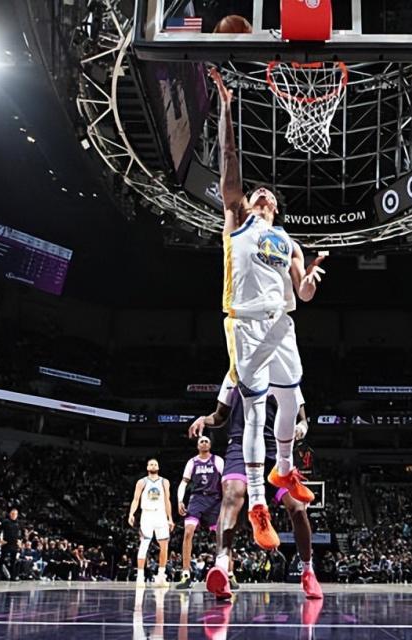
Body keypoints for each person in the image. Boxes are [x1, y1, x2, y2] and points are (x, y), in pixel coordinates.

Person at [209, 67, 326, 550]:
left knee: (292, 402)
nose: (262, 193)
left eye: (268, 194)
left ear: (276, 207)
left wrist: (310, 281)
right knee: (254, 410)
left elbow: (303, 294)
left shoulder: (288, 241)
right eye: (257, 191)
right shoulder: (237, 220)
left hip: (282, 324)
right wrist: (227, 110)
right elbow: (229, 164)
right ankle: (258, 504)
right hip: (245, 325)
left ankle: (284, 470)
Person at [188, 374, 321, 600]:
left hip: (275, 450)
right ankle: (221, 567)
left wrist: (300, 429)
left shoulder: (284, 372)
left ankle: (308, 571)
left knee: (298, 508)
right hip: (240, 447)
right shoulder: (234, 374)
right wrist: (204, 419)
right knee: (232, 495)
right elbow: (220, 416)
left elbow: (302, 420)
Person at [175, 436, 224, 589]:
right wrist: (180, 500)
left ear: (210, 445)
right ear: (197, 446)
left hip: (215, 500)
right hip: (197, 499)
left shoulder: (218, 460)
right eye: (201, 441)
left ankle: (227, 573)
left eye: (206, 441)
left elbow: (226, 482)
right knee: (188, 532)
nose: (204, 443)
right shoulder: (192, 462)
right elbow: (184, 482)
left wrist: (228, 502)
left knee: (221, 536)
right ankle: (185, 574)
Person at [127, 459, 174, 586]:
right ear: (147, 467)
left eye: (155, 464)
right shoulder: (141, 482)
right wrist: (131, 513)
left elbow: (167, 500)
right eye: (151, 464)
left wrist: (170, 518)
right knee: (144, 544)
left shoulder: (164, 482)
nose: (153, 466)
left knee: (164, 545)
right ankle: (140, 576)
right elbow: (135, 499)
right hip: (147, 514)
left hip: (161, 514)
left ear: (158, 467)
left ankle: (161, 575)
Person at [0, 508, 22, 580]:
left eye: (15, 514)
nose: (14, 515)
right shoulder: (6, 522)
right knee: (2, 560)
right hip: (6, 543)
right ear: (10, 514)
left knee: (13, 561)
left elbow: (19, 534)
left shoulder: (18, 523)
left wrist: (19, 540)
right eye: (13, 514)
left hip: (14, 544)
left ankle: (12, 576)